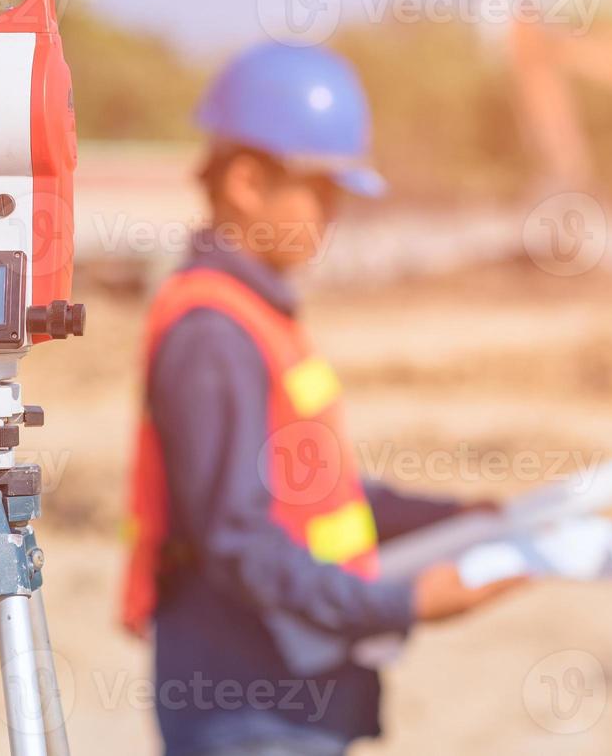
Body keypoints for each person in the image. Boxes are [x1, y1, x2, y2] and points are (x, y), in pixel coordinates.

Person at [120, 43, 523, 756]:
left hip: (288, 693)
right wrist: (398, 605)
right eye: (321, 191)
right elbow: (238, 542)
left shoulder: (258, 315)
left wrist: (457, 519)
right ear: (247, 181)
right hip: (248, 703)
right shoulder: (213, 334)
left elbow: (311, 491)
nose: (331, 214)